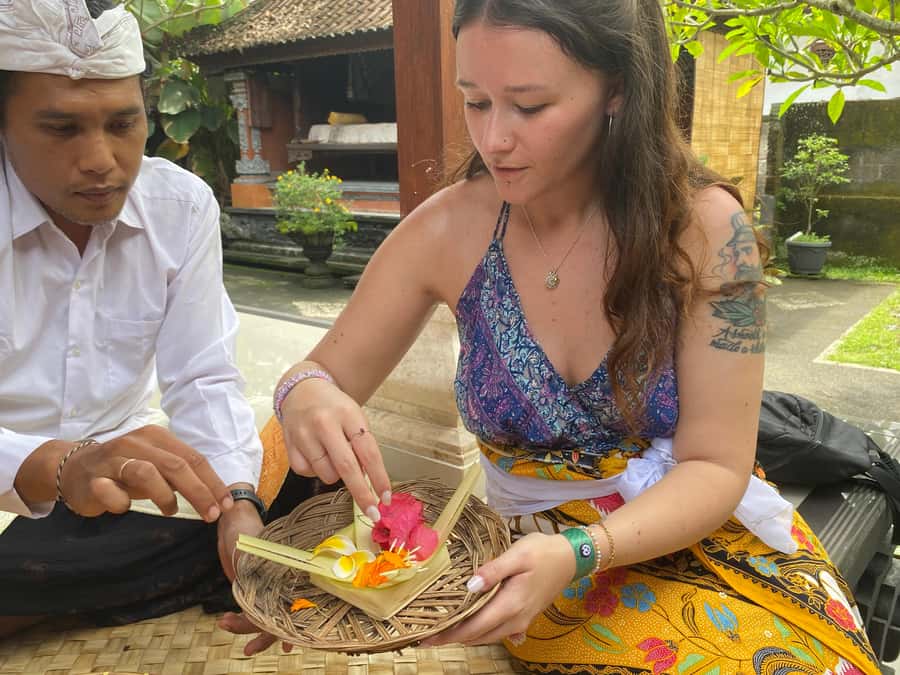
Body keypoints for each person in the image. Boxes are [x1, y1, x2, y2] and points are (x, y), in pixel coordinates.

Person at [260, 0, 877, 673]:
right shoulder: (448, 232)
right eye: (475, 101)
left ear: (617, 88)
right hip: (539, 565)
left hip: (704, 533)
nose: (494, 138)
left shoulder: (704, 231)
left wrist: (587, 549)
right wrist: (306, 395)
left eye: (528, 106)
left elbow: (717, 464)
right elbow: (316, 373)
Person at [0, 0, 294, 640]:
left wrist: (238, 504)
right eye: (61, 128)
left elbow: (203, 376)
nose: (101, 158)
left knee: (297, 480)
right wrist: (50, 464)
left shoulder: (179, 207)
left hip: (123, 499)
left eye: (123, 123)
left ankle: (70, 594)